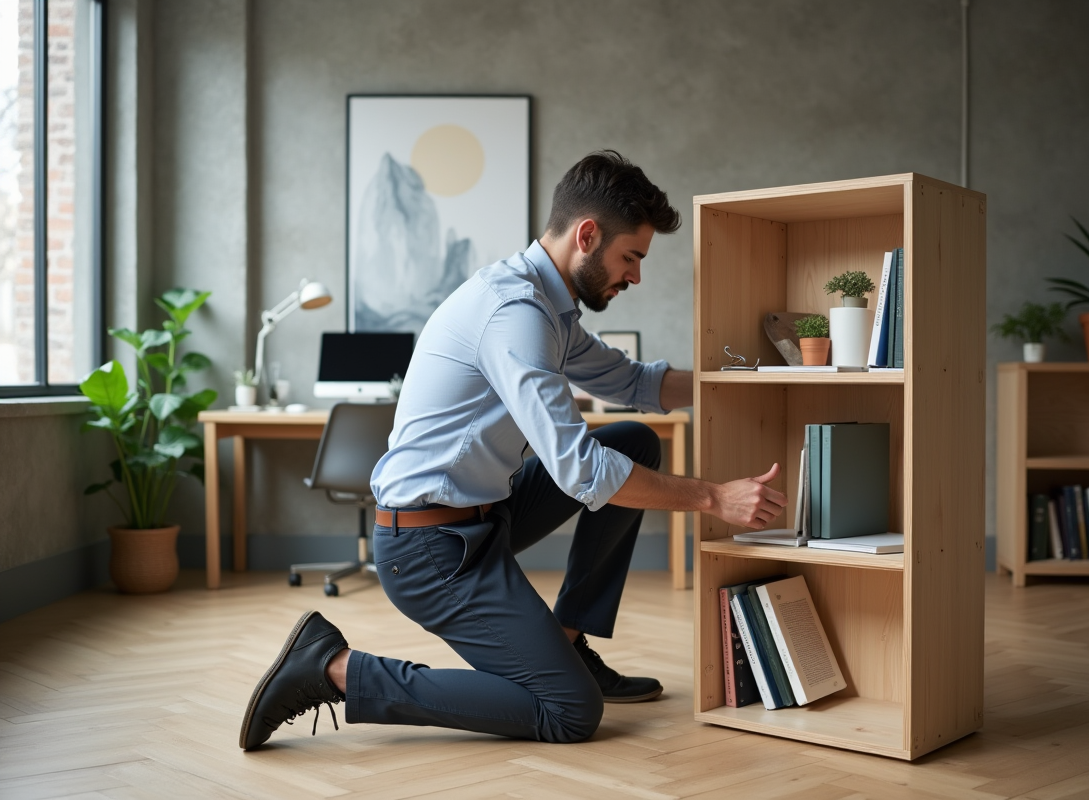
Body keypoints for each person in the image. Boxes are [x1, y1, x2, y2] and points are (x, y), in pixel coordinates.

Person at [240, 151, 787, 750]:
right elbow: (580, 468)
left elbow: (633, 383)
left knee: (633, 439)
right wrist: (713, 496)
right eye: (631, 257)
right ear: (587, 236)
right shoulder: (515, 313)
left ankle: (570, 642)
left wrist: (745, 378)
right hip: (429, 551)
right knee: (569, 712)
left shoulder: (546, 308)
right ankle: (334, 669)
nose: (635, 276)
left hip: (484, 518)